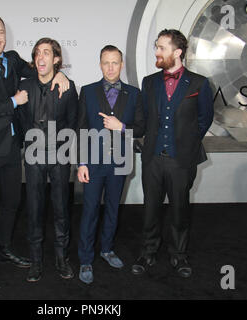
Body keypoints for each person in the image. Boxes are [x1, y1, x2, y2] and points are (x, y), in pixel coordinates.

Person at [0, 14, 70, 290]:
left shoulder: (11, 58)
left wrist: (61, 73)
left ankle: (4, 248)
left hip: (11, 147)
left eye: (0, 32)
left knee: (11, 203)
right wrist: (14, 100)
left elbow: (38, 70)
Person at [131, 29, 214, 278]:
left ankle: (179, 256)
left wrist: (186, 144)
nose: (156, 51)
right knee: (150, 208)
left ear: (177, 52)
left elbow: (204, 120)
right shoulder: (149, 82)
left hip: (181, 160)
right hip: (153, 159)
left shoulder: (199, 83)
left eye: (161, 48)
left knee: (180, 209)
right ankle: (147, 253)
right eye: (156, 47)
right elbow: (143, 120)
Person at [76, 45, 145, 284]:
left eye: (115, 62)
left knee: (113, 208)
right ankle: (85, 259)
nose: (110, 67)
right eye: (106, 62)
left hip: (120, 161)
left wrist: (122, 127)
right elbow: (81, 128)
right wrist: (81, 162)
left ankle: (107, 249)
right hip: (93, 163)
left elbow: (143, 127)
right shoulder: (87, 91)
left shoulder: (135, 93)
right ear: (100, 64)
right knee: (90, 209)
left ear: (122, 64)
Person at [17, 38, 78, 282]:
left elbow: (73, 120)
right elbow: (20, 119)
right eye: (37, 53)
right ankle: (36, 260)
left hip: (59, 155)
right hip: (33, 156)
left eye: (46, 53)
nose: (41, 57)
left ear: (56, 59)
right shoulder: (24, 86)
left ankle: (61, 258)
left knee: (62, 208)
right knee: (34, 208)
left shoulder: (68, 86)